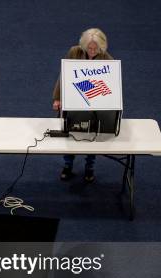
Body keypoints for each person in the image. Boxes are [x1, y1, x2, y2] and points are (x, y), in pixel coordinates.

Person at [52, 28, 113, 183]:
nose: (92, 51)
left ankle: (89, 168)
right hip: (73, 100)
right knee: (71, 132)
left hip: (94, 103)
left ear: (102, 47)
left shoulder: (107, 60)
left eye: (96, 49)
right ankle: (67, 165)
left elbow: (112, 85)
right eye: (89, 48)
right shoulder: (74, 52)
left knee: (91, 134)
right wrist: (57, 98)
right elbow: (63, 75)